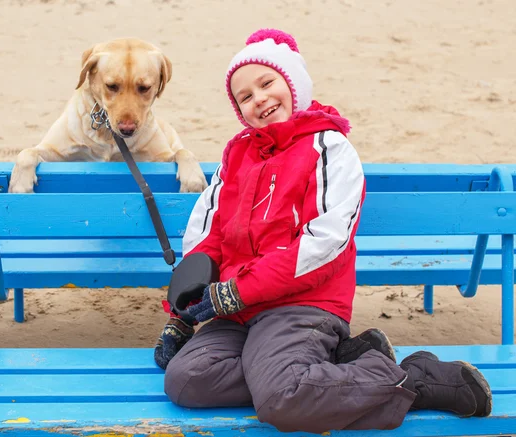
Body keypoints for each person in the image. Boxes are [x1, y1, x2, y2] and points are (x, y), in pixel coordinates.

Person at [153, 29, 492, 434]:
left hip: (301, 304)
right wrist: (183, 311)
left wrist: (238, 290)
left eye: (267, 83)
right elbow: (208, 232)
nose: (258, 98)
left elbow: (325, 243)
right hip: (238, 311)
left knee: (283, 399)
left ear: (293, 84)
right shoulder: (236, 154)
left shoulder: (327, 147)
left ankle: (417, 381)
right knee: (186, 379)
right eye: (245, 97)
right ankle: (337, 361)